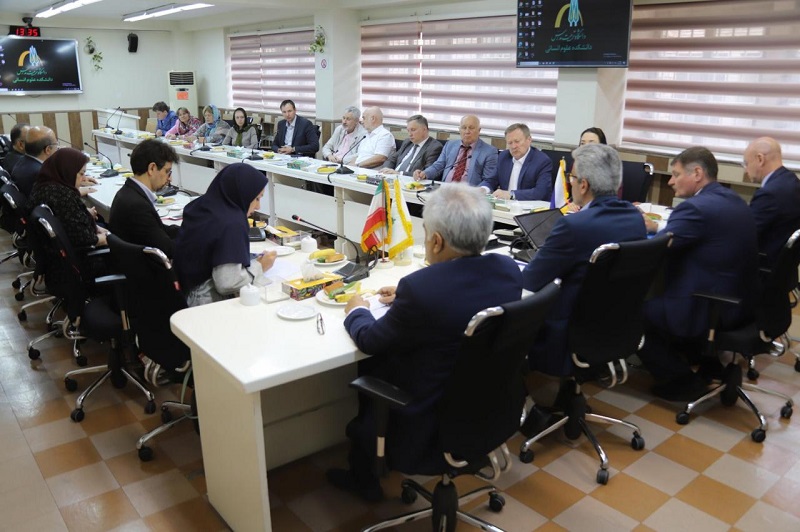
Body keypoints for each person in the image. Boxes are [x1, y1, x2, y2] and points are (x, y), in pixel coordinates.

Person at [326, 183, 523, 502]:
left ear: (436, 240)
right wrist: (406, 300)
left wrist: (357, 310)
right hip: (492, 409)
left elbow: (370, 340)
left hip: (427, 421)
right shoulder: (508, 271)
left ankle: (364, 474)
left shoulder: (421, 289)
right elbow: (458, 298)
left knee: (374, 364)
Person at [638, 147, 758, 400]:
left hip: (705, 304)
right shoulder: (733, 199)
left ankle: (680, 380)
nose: (670, 181)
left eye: (676, 174)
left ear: (697, 173)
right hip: (739, 302)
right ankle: (707, 362)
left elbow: (658, 247)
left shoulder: (695, 208)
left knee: (631, 313)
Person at [522, 143, 647, 377]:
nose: (570, 182)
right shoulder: (635, 218)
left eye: (572, 176)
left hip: (566, 327)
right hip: (616, 323)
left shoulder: (574, 226)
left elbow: (530, 280)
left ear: (583, 184)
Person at [173, 164, 277, 306]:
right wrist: (260, 266)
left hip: (184, 291)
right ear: (243, 194)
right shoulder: (232, 222)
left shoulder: (201, 204)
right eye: (257, 199)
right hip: (205, 302)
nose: (258, 207)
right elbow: (227, 283)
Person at [108, 139, 181, 257]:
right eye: (167, 171)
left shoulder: (128, 192)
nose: (170, 179)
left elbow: (158, 229)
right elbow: (168, 249)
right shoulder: (137, 206)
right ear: (152, 168)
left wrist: (187, 231)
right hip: (142, 266)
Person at [30, 148, 107, 251]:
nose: (84, 178)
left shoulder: (44, 185)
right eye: (81, 174)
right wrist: (109, 237)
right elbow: (85, 239)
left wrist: (89, 218)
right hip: (82, 255)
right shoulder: (62, 196)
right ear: (68, 172)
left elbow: (67, 221)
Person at [743, 137, 800, 268]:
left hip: (761, 269)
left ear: (760, 159)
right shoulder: (793, 182)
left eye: (746, 163)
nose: (745, 170)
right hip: (784, 271)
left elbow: (745, 234)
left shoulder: (769, 194)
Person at [413, 115, 497, 186]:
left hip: (469, 194)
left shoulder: (489, 151)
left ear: (479, 130)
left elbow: (489, 180)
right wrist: (424, 173)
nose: (467, 131)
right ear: (459, 130)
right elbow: (438, 165)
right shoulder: (450, 145)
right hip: (446, 190)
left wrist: (480, 190)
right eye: (464, 128)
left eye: (471, 128)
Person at [480, 123, 553, 201]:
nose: (513, 146)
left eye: (517, 141)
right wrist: (483, 189)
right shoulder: (504, 156)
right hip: (504, 205)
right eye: (510, 143)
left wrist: (511, 195)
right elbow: (491, 180)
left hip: (528, 206)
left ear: (529, 140)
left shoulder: (542, 161)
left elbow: (540, 192)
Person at [12, 126, 60, 197]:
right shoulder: (42, 174)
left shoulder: (21, 160)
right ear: (48, 150)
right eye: (56, 144)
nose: (57, 148)